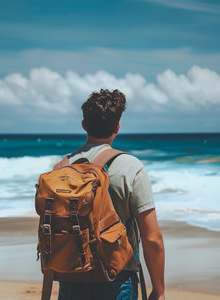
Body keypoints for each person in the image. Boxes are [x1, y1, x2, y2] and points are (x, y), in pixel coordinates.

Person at [58, 89, 165, 300]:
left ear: (84, 125)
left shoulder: (62, 168)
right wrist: (159, 291)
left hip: (70, 277)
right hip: (117, 277)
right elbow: (152, 239)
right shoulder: (130, 167)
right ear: (117, 127)